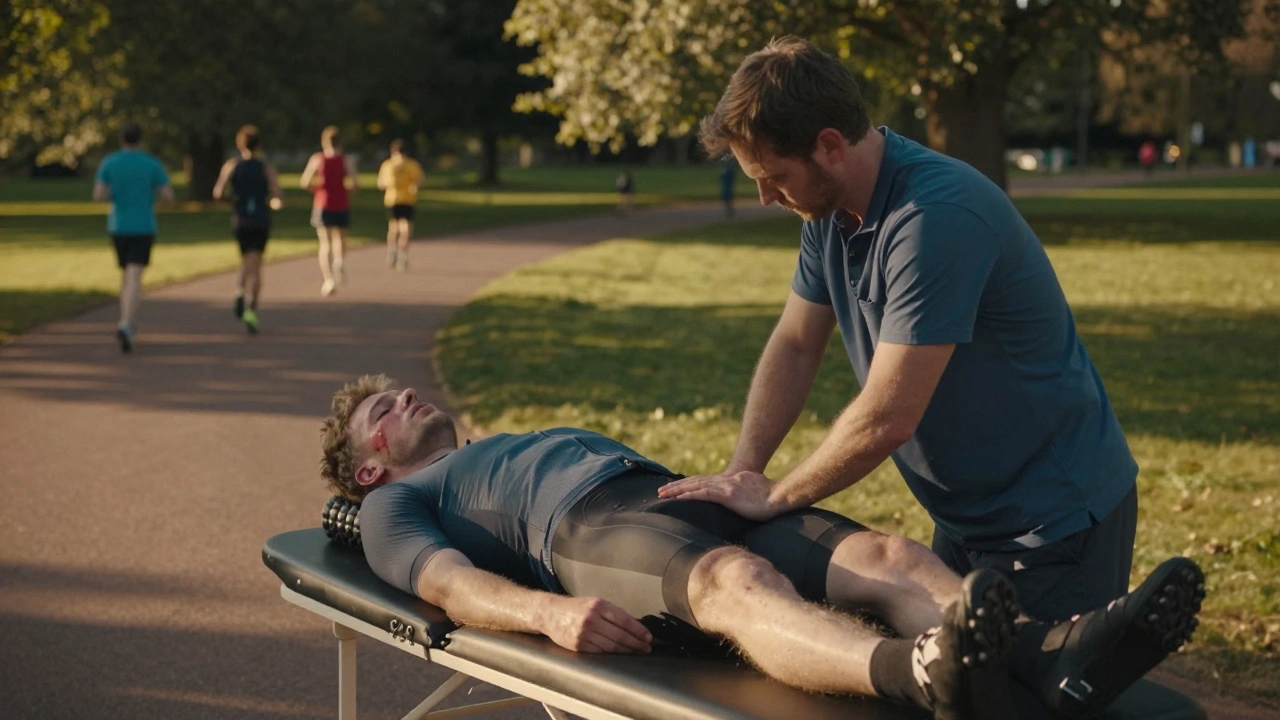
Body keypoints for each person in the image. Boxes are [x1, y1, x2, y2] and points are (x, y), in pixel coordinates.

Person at [319, 374, 1204, 720]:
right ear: (367, 471)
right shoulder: (404, 507)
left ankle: (1052, 657)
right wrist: (552, 615)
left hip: (675, 492)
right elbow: (451, 588)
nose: (402, 400)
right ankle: (922, 671)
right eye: (380, 415)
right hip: (588, 537)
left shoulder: (488, 446)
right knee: (738, 579)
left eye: (399, 391)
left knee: (890, 558)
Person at [683, 36, 1143, 630]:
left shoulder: (934, 218)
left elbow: (887, 416)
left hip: (1054, 522)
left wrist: (776, 497)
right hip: (967, 517)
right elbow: (797, 345)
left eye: (773, 176)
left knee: (1030, 696)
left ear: (828, 146)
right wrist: (742, 472)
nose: (765, 195)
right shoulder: (828, 214)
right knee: (955, 679)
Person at [92, 121, 174, 353]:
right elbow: (168, 195)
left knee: (126, 274)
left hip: (118, 225)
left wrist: (117, 194)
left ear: (121, 139)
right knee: (134, 275)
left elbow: (99, 195)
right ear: (141, 139)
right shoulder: (151, 163)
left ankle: (127, 320)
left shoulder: (110, 162)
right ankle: (126, 323)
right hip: (143, 225)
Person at [212, 125, 283, 334]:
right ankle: (251, 307)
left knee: (246, 260)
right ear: (259, 144)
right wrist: (272, 201)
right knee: (256, 264)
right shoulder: (265, 167)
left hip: (241, 220)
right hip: (260, 219)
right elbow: (277, 193)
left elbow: (217, 192)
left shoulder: (232, 165)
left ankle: (239, 292)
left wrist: (232, 199)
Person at [300, 126, 358, 296]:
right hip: (341, 203)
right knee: (340, 237)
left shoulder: (317, 159)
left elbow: (304, 182)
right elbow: (355, 183)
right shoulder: (346, 160)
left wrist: (316, 187)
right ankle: (339, 261)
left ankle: (328, 279)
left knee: (325, 243)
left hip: (322, 203)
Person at [376, 139, 425, 272]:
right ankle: (402, 254)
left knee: (393, 227)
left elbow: (380, 183)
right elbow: (419, 181)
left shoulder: (387, 164)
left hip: (392, 199)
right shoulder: (411, 164)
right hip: (407, 199)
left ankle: (392, 250)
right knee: (405, 229)